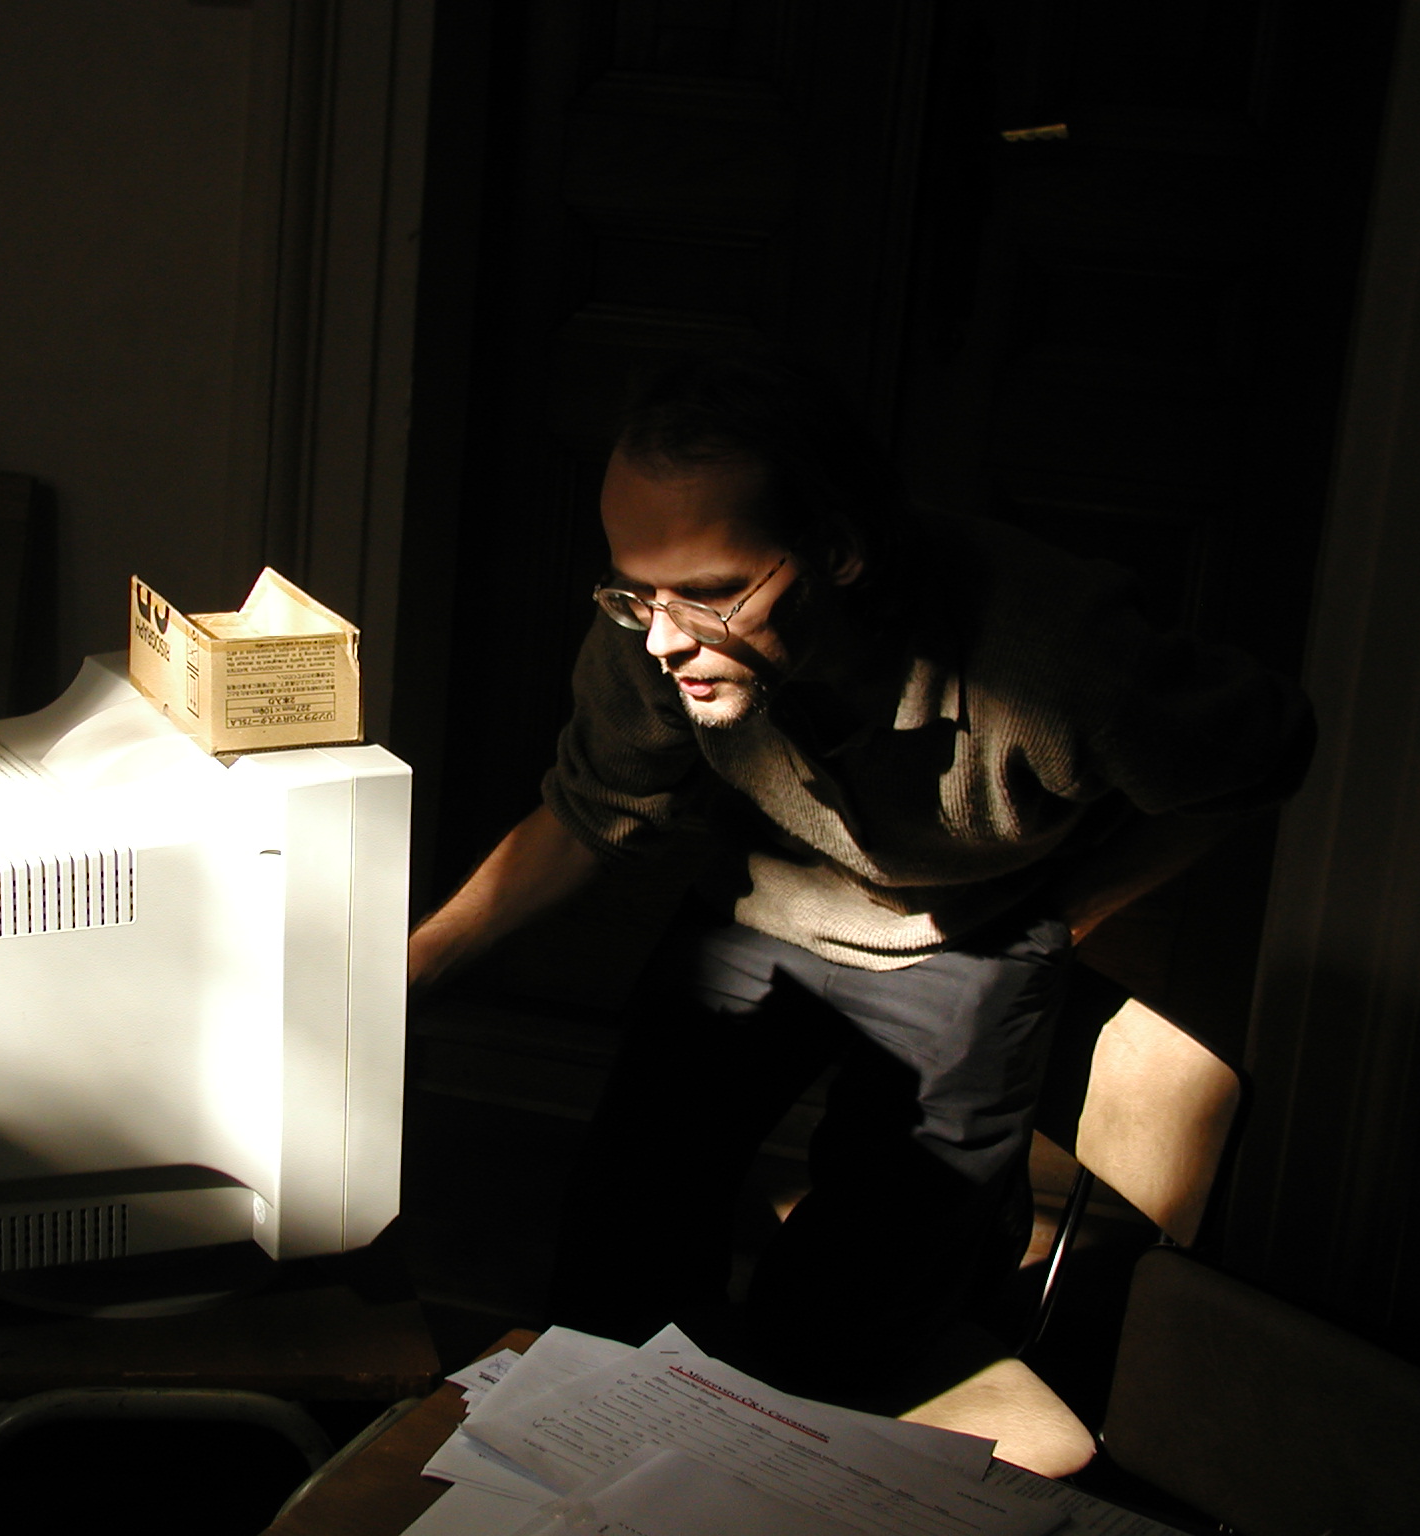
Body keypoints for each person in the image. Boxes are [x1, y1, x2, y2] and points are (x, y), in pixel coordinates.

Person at [410, 353, 1313, 1393]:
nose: (660, 639)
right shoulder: (658, 625)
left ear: (836, 553)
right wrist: (410, 967)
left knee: (848, 1329)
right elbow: (589, 810)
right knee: (616, 1260)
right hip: (760, 908)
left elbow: (1261, 759)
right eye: (636, 591)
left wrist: (1066, 914)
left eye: (709, 594)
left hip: (969, 939)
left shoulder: (1060, 660)